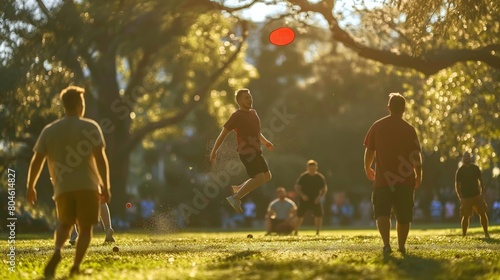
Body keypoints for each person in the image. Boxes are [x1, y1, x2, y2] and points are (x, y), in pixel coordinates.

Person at [26, 86, 110, 278]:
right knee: (86, 228)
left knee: (64, 224)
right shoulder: (90, 127)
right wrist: (106, 186)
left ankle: (57, 251)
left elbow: (36, 161)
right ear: (81, 104)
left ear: (64, 106)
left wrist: (30, 186)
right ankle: (75, 266)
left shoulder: (50, 130)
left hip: (62, 187)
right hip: (88, 186)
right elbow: (101, 159)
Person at [364, 92, 422, 255]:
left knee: (382, 212)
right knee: (404, 215)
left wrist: (367, 168)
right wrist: (419, 174)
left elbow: (370, 150)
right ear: (404, 109)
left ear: (388, 107)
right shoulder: (410, 129)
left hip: (383, 180)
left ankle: (386, 244)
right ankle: (402, 246)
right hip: (405, 180)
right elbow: (416, 156)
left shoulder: (377, 125)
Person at [210, 88, 273, 213]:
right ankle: (235, 197)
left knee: (267, 176)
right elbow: (223, 135)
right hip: (247, 153)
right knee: (259, 178)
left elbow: (257, 132)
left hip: (257, 150)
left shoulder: (254, 113)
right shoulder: (236, 116)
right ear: (239, 101)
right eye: (246, 98)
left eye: (250, 97)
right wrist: (214, 151)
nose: (250, 99)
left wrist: (265, 142)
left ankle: (239, 188)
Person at [455, 152, 490, 238]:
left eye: (468, 156)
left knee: (483, 213)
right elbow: (457, 185)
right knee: (465, 216)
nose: (466, 158)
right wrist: (461, 197)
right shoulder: (460, 170)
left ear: (470, 157)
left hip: (477, 195)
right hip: (466, 197)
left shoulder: (475, 168)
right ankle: (464, 235)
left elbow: (481, 181)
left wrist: (482, 193)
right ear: (463, 158)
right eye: (465, 156)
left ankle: (486, 233)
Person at [294, 160, 328, 235]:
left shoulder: (320, 177)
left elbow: (324, 189)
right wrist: (302, 195)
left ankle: (317, 232)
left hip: (316, 199)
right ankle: (296, 232)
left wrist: (319, 197)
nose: (312, 170)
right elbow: (297, 187)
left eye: (313, 168)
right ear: (307, 168)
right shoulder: (303, 177)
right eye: (310, 168)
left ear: (316, 168)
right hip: (304, 198)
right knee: (299, 215)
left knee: (319, 215)